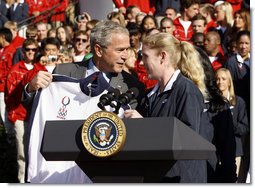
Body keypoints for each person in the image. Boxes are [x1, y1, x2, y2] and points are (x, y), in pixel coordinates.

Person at [23, 20, 146, 183]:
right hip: (58, 171)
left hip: (102, 173)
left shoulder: (132, 86)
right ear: (98, 50)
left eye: (127, 49)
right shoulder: (63, 71)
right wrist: (31, 89)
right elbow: (38, 111)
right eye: (120, 50)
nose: (126, 55)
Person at [124, 33, 207, 182]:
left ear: (162, 56)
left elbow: (187, 139)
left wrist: (143, 125)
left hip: (180, 179)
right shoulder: (151, 95)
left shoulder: (186, 90)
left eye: (145, 56)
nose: (141, 63)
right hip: (158, 176)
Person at [4, 38, 43, 183]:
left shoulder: (41, 68)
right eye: (28, 50)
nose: (31, 52)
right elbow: (9, 96)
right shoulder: (15, 71)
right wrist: (13, 117)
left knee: (36, 154)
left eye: (34, 49)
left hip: (37, 117)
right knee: (22, 154)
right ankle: (21, 182)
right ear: (23, 51)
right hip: (21, 117)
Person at [215, 68, 249, 181]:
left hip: (234, 151)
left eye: (223, 79)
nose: (220, 82)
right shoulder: (212, 103)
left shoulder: (239, 102)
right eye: (217, 79)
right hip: (215, 150)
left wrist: (229, 124)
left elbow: (244, 127)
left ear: (229, 82)